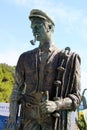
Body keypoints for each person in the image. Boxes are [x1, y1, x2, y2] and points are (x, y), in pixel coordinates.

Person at [4, 9, 81, 130]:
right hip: (28, 121)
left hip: (53, 122)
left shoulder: (69, 59)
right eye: (32, 27)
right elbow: (16, 92)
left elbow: (76, 98)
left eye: (37, 26)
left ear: (49, 27)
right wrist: (12, 120)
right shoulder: (25, 58)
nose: (33, 30)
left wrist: (57, 104)